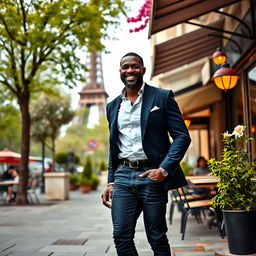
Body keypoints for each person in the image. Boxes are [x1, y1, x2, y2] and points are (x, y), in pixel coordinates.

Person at [101, 52, 191, 256]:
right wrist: (110, 181)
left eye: (134, 66)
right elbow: (113, 146)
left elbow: (182, 137)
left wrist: (164, 169)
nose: (130, 70)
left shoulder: (162, 96)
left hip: (152, 174)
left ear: (143, 70)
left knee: (156, 236)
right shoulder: (112, 106)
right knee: (121, 236)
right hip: (123, 175)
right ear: (120, 72)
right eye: (125, 67)